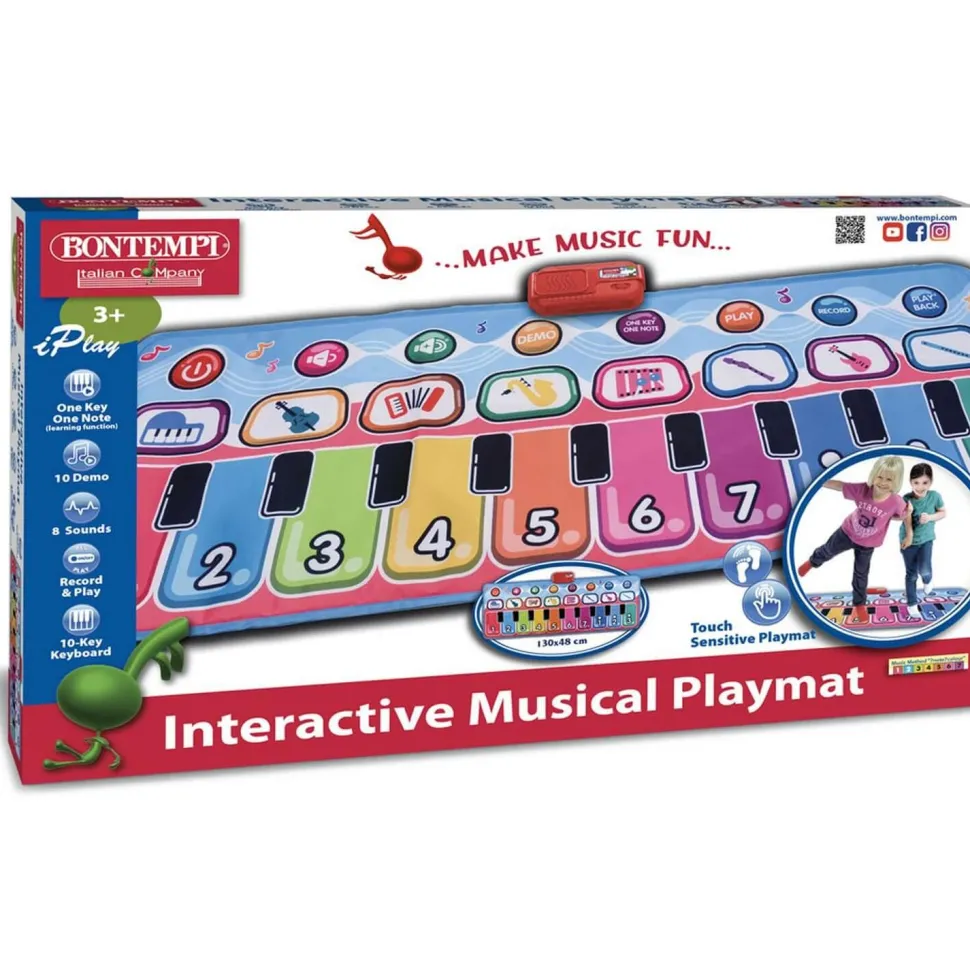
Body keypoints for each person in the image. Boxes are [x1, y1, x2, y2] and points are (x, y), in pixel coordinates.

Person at [798, 457, 911, 618]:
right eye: (880, 477)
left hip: (868, 543)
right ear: (873, 475)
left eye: (889, 479)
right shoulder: (862, 490)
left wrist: (909, 533)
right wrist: (820, 481)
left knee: (861, 573)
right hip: (847, 532)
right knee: (827, 550)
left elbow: (903, 515)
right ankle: (812, 562)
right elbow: (841, 486)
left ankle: (859, 603)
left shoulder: (896, 502)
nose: (883, 482)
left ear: (896, 481)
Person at [900, 462, 946, 618]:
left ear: (930, 482)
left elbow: (943, 512)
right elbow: (906, 521)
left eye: (925, 483)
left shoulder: (935, 496)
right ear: (910, 482)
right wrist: (908, 536)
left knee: (925, 569)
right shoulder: (906, 499)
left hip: (926, 539)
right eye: (916, 482)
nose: (920, 487)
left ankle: (928, 580)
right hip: (908, 541)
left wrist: (930, 517)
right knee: (911, 574)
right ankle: (912, 604)